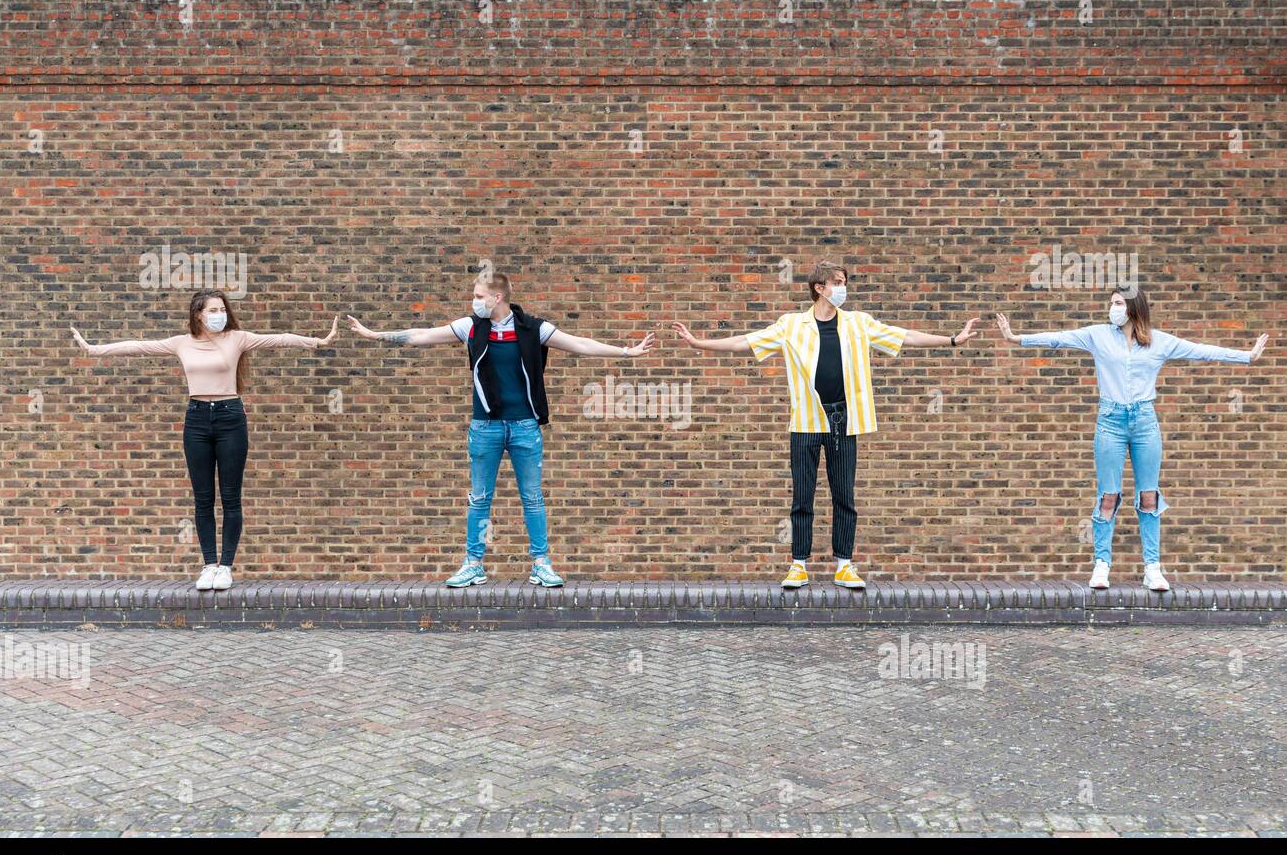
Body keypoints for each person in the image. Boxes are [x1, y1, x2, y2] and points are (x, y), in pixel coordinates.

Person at [672, 260, 978, 589]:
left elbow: (905, 337)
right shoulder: (791, 325)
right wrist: (699, 344)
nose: (843, 288)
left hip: (843, 420)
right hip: (806, 420)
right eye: (837, 282)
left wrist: (952, 340)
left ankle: (844, 566)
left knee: (844, 494)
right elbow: (745, 342)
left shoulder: (859, 323)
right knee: (803, 497)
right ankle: (798, 566)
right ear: (820, 288)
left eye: (844, 282)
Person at [346, 271, 655, 587]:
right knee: (479, 498)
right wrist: (375, 335)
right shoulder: (471, 328)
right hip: (485, 427)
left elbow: (579, 344)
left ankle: (541, 564)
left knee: (532, 497)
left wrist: (627, 352)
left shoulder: (532, 329)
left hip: (525, 426)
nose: (474, 301)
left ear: (498, 298)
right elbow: (423, 334)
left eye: (479, 296)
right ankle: (473, 564)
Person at [997, 290, 1269, 591]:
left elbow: (1201, 350)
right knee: (1108, 495)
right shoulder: (1098, 336)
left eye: (1117, 303)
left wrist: (1247, 357)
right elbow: (1059, 337)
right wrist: (1016, 338)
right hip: (1110, 421)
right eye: (1111, 303)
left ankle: (1152, 568)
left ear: (1133, 307)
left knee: (1149, 495)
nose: (1111, 308)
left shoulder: (1159, 341)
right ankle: (1102, 564)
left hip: (1144, 422)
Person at [71, 291, 337, 590]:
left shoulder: (237, 338)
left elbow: (280, 338)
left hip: (230, 417)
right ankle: (209, 564)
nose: (219, 314)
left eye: (222, 309)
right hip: (196, 419)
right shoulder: (181, 343)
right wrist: (94, 350)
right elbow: (139, 346)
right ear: (198, 313)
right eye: (213, 309)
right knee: (203, 498)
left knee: (231, 497)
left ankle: (225, 566)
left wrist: (318, 341)